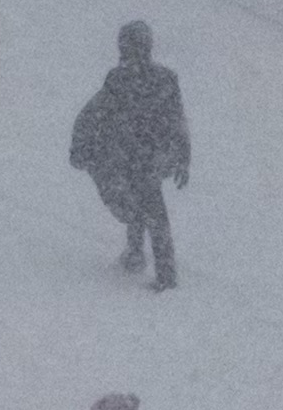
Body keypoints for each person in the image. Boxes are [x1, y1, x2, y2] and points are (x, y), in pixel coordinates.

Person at [68, 19, 191, 290]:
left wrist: (82, 146)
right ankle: (141, 256)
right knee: (145, 204)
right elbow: (179, 122)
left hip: (132, 156)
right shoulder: (164, 79)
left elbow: (92, 113)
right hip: (150, 156)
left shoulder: (120, 79)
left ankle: (163, 274)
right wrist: (183, 156)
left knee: (145, 207)